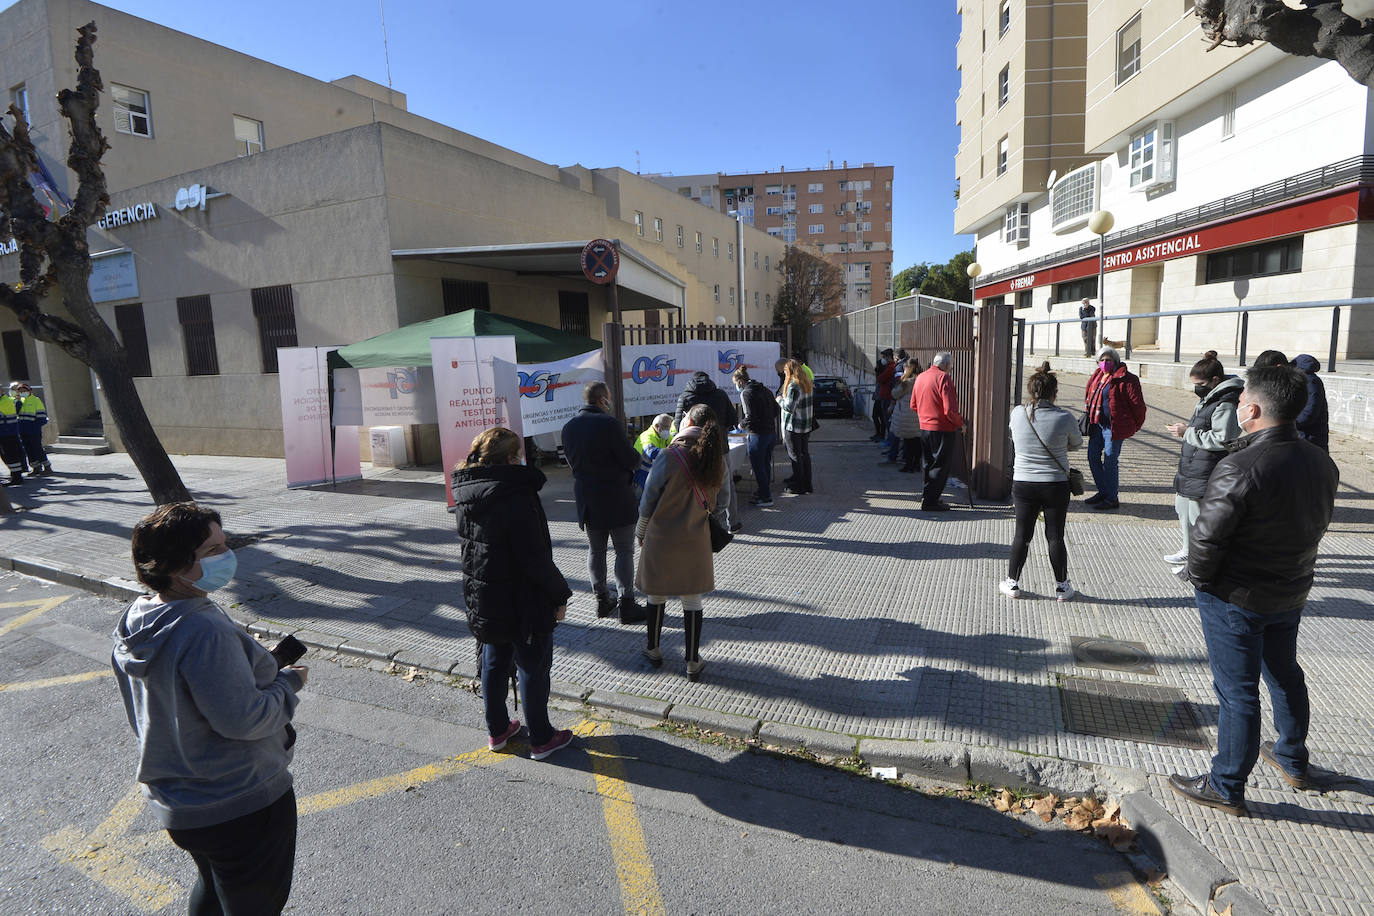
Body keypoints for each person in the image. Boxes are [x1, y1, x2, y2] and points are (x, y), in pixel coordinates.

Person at [113, 502, 308, 916]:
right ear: (174, 564)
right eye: (211, 551)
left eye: (225, 544)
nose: (227, 556)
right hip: (239, 802)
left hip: (180, 802)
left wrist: (258, 664)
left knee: (214, 888)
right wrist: (290, 683)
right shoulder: (202, 628)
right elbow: (246, 719)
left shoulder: (138, 618)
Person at [1170, 365, 1343, 817]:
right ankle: (1292, 758)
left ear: (1253, 408)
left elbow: (1205, 541)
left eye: (1243, 396)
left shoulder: (1239, 465)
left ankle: (1226, 783)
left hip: (1236, 597)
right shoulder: (1321, 461)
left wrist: (1202, 582)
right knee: (1284, 673)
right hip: (1290, 590)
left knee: (1238, 692)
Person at [452, 427, 574, 761]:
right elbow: (533, 556)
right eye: (519, 453)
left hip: (485, 593)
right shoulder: (515, 493)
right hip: (523, 596)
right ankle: (542, 738)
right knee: (533, 665)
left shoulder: (466, 490)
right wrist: (559, 594)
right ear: (510, 457)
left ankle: (498, 730)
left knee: (493, 660)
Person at [636, 403, 727, 681]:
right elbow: (722, 503)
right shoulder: (715, 459)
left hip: (661, 536)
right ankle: (691, 661)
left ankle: (653, 648)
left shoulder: (668, 455)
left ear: (688, 421)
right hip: (695, 536)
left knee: (656, 593)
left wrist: (641, 528)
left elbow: (649, 496)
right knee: (692, 598)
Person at [560, 382, 647, 624]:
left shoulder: (568, 427)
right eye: (608, 397)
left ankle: (601, 601)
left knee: (596, 550)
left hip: (587, 498)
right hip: (616, 496)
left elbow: (571, 463)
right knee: (624, 550)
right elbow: (631, 460)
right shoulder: (610, 424)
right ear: (602, 399)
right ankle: (626, 604)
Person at [1002, 363, 1083, 601]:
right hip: (1055, 484)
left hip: (1024, 482)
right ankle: (1062, 587)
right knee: (1055, 535)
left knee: (1021, 535)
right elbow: (1077, 443)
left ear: (1030, 390)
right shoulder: (1065, 417)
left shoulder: (1017, 413)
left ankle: (1012, 583)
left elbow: (1015, 437)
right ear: (1054, 392)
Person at [1164, 352, 1242, 567]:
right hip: (1194, 465)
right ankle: (1188, 551)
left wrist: (1186, 432)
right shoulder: (1209, 398)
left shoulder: (1225, 402)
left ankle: (1201, 558)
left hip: (1207, 467)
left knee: (1199, 516)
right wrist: (1188, 431)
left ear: (1215, 380)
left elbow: (1222, 439)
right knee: (1184, 509)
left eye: (1200, 384)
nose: (1197, 388)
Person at [674, 370, 740, 533]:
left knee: (695, 482)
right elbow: (733, 420)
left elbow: (677, 425)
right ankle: (733, 522)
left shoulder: (685, 397)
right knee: (727, 483)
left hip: (693, 448)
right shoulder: (720, 394)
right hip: (720, 445)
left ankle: (699, 521)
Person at [1083, 346, 1147, 511]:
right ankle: (1103, 491)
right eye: (1102, 360)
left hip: (1114, 426)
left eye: (1108, 360)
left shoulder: (1127, 379)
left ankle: (1112, 498)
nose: (1105, 363)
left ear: (1115, 361)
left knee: (1110, 460)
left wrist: (1134, 426)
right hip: (1097, 424)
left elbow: (1138, 405)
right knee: (1092, 457)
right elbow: (1089, 396)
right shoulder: (1098, 376)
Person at [912, 352, 964, 512]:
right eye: (951, 366)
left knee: (927, 463)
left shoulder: (920, 377)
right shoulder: (944, 378)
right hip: (942, 428)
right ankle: (931, 501)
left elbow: (913, 404)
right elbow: (949, 410)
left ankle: (927, 494)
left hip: (925, 427)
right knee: (940, 465)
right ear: (947, 365)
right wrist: (960, 423)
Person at [733, 366, 779, 508]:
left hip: (757, 434)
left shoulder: (746, 393)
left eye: (735, 384)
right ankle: (763, 491)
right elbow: (776, 410)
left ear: (740, 381)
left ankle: (765, 497)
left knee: (758, 467)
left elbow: (749, 417)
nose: (736, 387)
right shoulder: (765, 390)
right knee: (765, 464)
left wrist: (741, 425)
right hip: (771, 433)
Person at [777, 360, 814, 496]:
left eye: (785, 372)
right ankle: (807, 484)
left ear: (789, 372)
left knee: (795, 456)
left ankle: (799, 486)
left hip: (793, 426)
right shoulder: (807, 383)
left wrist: (779, 399)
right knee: (804, 454)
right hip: (805, 425)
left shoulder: (794, 385)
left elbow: (789, 407)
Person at [888, 357, 922, 472]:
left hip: (906, 414)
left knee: (908, 441)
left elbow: (895, 394)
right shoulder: (921, 380)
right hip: (919, 415)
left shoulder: (906, 382)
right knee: (917, 441)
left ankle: (909, 465)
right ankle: (917, 464)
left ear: (907, 368)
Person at [1291, 354, 1329, 451]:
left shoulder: (1310, 381)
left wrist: (1291, 423)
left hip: (1310, 436)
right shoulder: (1309, 379)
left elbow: (1309, 412)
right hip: (1310, 435)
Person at [13, 383, 51, 474]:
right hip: (22, 430)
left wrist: (35, 426)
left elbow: (42, 417)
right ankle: (35, 467)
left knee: (37, 448)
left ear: (30, 391)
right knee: (28, 449)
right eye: (20, 391)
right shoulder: (18, 401)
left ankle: (46, 466)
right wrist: (18, 402)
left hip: (34, 430)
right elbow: (16, 413)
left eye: (24, 391)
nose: (23, 393)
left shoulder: (35, 400)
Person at [633, 414, 673, 493]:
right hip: (641, 477)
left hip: (653, 476)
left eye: (669, 427)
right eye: (666, 426)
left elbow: (674, 442)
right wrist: (673, 453)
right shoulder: (647, 436)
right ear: (657, 426)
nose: (668, 430)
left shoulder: (662, 435)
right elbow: (651, 452)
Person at [871, 348, 896, 442]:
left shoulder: (891, 367)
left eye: (885, 356)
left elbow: (880, 379)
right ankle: (880, 434)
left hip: (886, 396)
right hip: (880, 395)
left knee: (884, 418)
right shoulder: (887, 367)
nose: (883, 358)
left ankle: (883, 436)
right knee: (877, 416)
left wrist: (879, 372)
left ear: (890, 357)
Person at [0, 385, 22, 484]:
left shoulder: (5, 401)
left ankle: (17, 477)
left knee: (11, 455)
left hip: (7, 433)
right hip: (5, 433)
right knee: (7, 455)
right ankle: (15, 475)